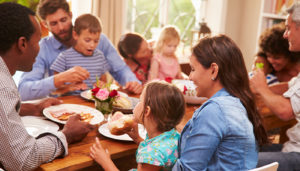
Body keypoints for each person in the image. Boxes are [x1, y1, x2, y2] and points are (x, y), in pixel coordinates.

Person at [0, 3, 94, 170]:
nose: (39, 49)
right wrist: (66, 135)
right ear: (22, 44)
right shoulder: (3, 87)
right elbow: (23, 159)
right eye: (37, 41)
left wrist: (34, 109)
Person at [172, 35, 268, 170]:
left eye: (193, 69)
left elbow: (187, 169)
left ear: (213, 70)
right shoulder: (237, 103)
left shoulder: (215, 110)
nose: (190, 76)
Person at [18, 0, 142, 101]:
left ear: (71, 15)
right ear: (45, 25)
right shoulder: (43, 48)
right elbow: (23, 91)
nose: (61, 27)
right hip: (61, 107)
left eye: (63, 20)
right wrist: (59, 79)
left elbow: (120, 69)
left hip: (97, 105)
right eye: (54, 23)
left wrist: (132, 82)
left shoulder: (99, 40)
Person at [90, 81, 185, 171]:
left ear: (147, 111)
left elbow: (153, 154)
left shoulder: (150, 156)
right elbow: (157, 150)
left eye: (140, 101)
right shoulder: (173, 134)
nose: (137, 104)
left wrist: (105, 161)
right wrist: (137, 138)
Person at [251, 3, 300, 171]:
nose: (285, 35)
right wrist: (258, 88)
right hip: (291, 148)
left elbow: (286, 111)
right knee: (235, 151)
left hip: (297, 155)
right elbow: (290, 86)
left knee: (233, 162)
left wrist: (262, 88)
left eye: (288, 28)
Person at [50, 14, 110, 94]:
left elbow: (105, 84)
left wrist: (103, 87)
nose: (92, 45)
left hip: (92, 103)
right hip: (71, 103)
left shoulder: (100, 57)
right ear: (75, 35)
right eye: (87, 40)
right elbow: (53, 90)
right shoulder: (64, 57)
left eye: (96, 41)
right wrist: (69, 87)